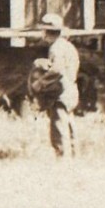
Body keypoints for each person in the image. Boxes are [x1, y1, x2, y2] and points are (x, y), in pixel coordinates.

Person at [30, 12, 80, 158]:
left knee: (58, 128)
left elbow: (57, 70)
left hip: (61, 93)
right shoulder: (67, 46)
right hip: (71, 89)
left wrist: (40, 83)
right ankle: (74, 157)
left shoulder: (55, 48)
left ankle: (62, 159)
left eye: (43, 30)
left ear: (47, 32)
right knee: (69, 124)